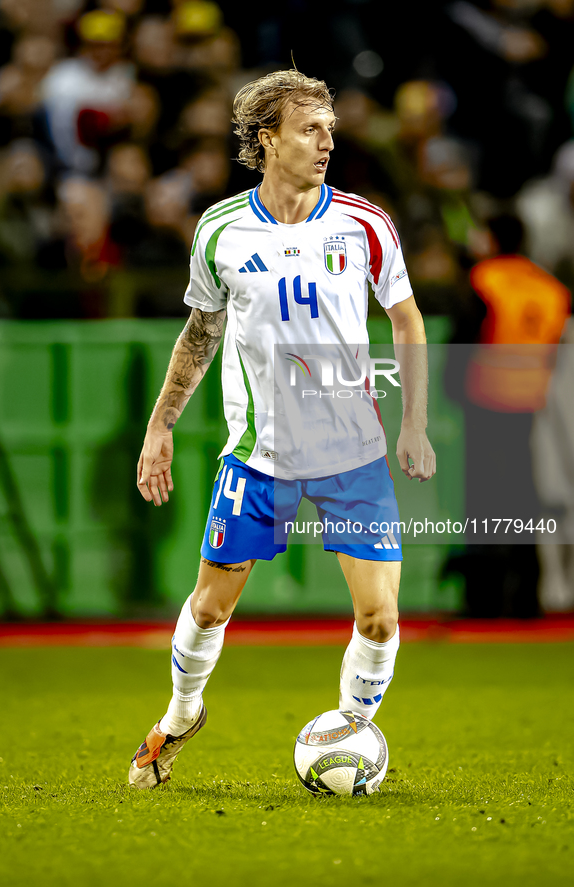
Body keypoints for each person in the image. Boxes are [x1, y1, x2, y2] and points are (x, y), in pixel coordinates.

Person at [128, 70, 435, 789]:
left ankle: (350, 731)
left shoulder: (362, 222)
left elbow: (406, 320)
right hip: (258, 457)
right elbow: (199, 333)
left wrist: (413, 424)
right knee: (209, 606)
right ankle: (178, 716)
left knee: (381, 618)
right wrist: (159, 427)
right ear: (266, 139)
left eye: (330, 127)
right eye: (309, 127)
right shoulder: (220, 229)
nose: (327, 140)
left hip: (353, 453)